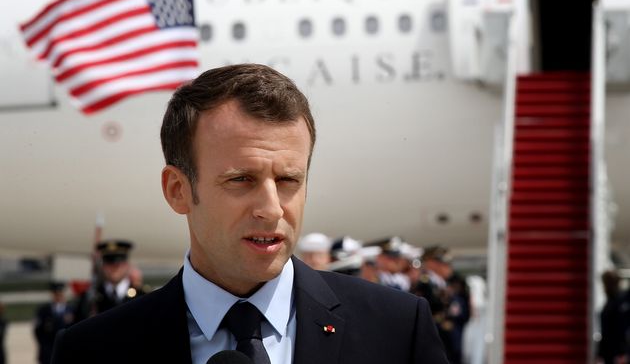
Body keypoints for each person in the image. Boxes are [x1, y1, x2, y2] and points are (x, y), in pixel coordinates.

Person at [52, 64, 448, 364]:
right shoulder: (93, 351)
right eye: (242, 179)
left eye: (289, 179)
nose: (272, 208)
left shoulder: (396, 329)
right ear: (178, 190)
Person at [74, 240, 146, 321]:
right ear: (103, 266)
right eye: (109, 263)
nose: (115, 268)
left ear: (127, 265)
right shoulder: (89, 298)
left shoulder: (142, 296)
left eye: (119, 263)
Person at [34, 282, 74, 364]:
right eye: (56, 294)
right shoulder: (43, 310)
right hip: (48, 350)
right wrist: (44, 346)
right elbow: (38, 330)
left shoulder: (72, 310)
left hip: (67, 349)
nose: (58, 297)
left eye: (60, 294)